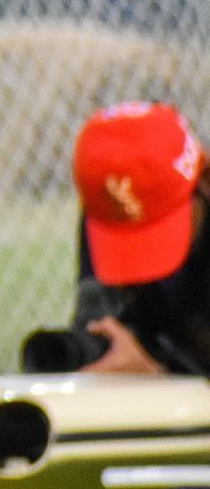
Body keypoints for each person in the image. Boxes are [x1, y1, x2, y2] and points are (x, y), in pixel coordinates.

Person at [54, 102, 210, 377]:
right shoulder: (111, 204)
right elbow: (95, 323)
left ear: (203, 183)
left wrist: (160, 373)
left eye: (158, 226)